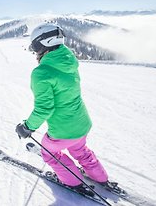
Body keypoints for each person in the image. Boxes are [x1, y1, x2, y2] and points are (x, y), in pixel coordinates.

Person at [15, 23, 108, 193]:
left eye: (35, 46)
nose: (35, 51)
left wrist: (27, 127)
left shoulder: (42, 72)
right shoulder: (69, 62)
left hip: (63, 131)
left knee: (49, 153)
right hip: (82, 122)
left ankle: (73, 182)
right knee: (80, 150)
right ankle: (100, 176)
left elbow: (44, 108)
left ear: (44, 44)